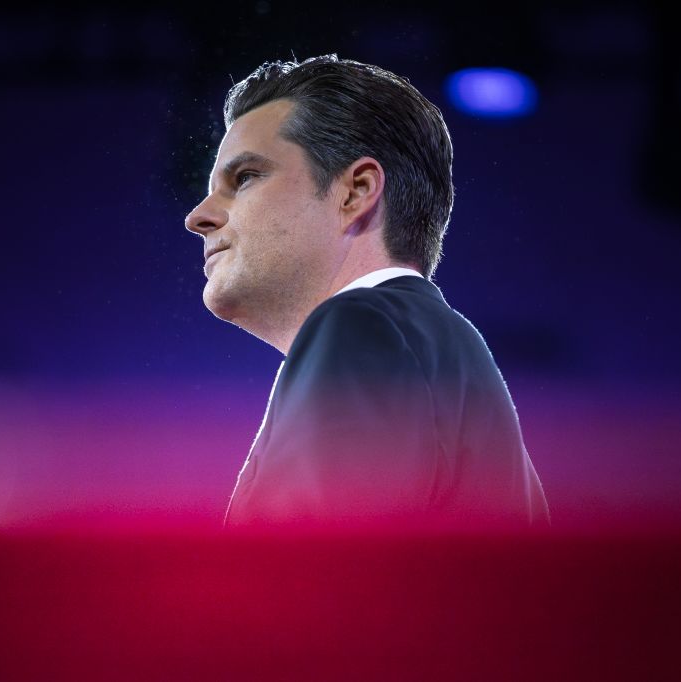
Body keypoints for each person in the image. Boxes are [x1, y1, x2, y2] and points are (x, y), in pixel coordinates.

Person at [184, 55, 549, 530]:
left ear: (355, 192)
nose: (198, 216)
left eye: (245, 177)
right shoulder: (433, 349)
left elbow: (310, 589)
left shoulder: (361, 326)